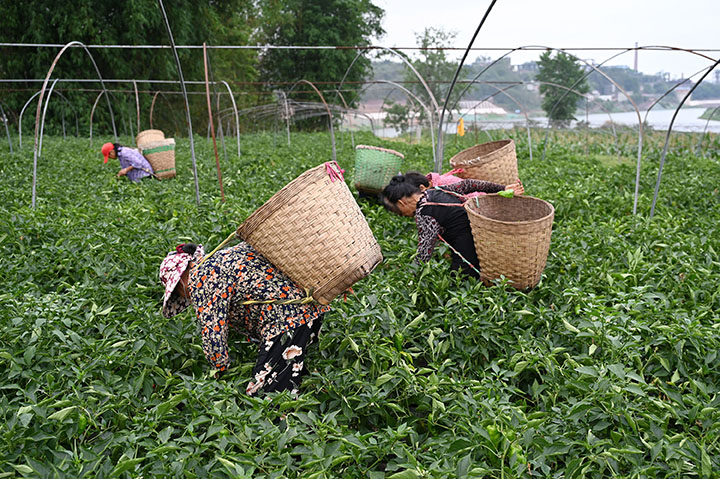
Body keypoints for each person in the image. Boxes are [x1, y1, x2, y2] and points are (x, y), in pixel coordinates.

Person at [159, 242, 329, 396]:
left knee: (266, 397)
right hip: (309, 307)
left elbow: (213, 333)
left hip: (285, 321)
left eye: (177, 291)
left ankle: (284, 427)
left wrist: (219, 370)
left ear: (181, 277)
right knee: (293, 376)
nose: (184, 296)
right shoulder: (221, 257)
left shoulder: (200, 280)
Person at [381, 172, 524, 278]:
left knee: (461, 281)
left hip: (466, 247)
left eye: (398, 211)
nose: (402, 215)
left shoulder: (423, 213)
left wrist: (410, 277)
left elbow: (424, 252)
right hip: (480, 236)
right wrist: (502, 188)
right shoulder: (435, 191)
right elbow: (468, 184)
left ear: (401, 203)